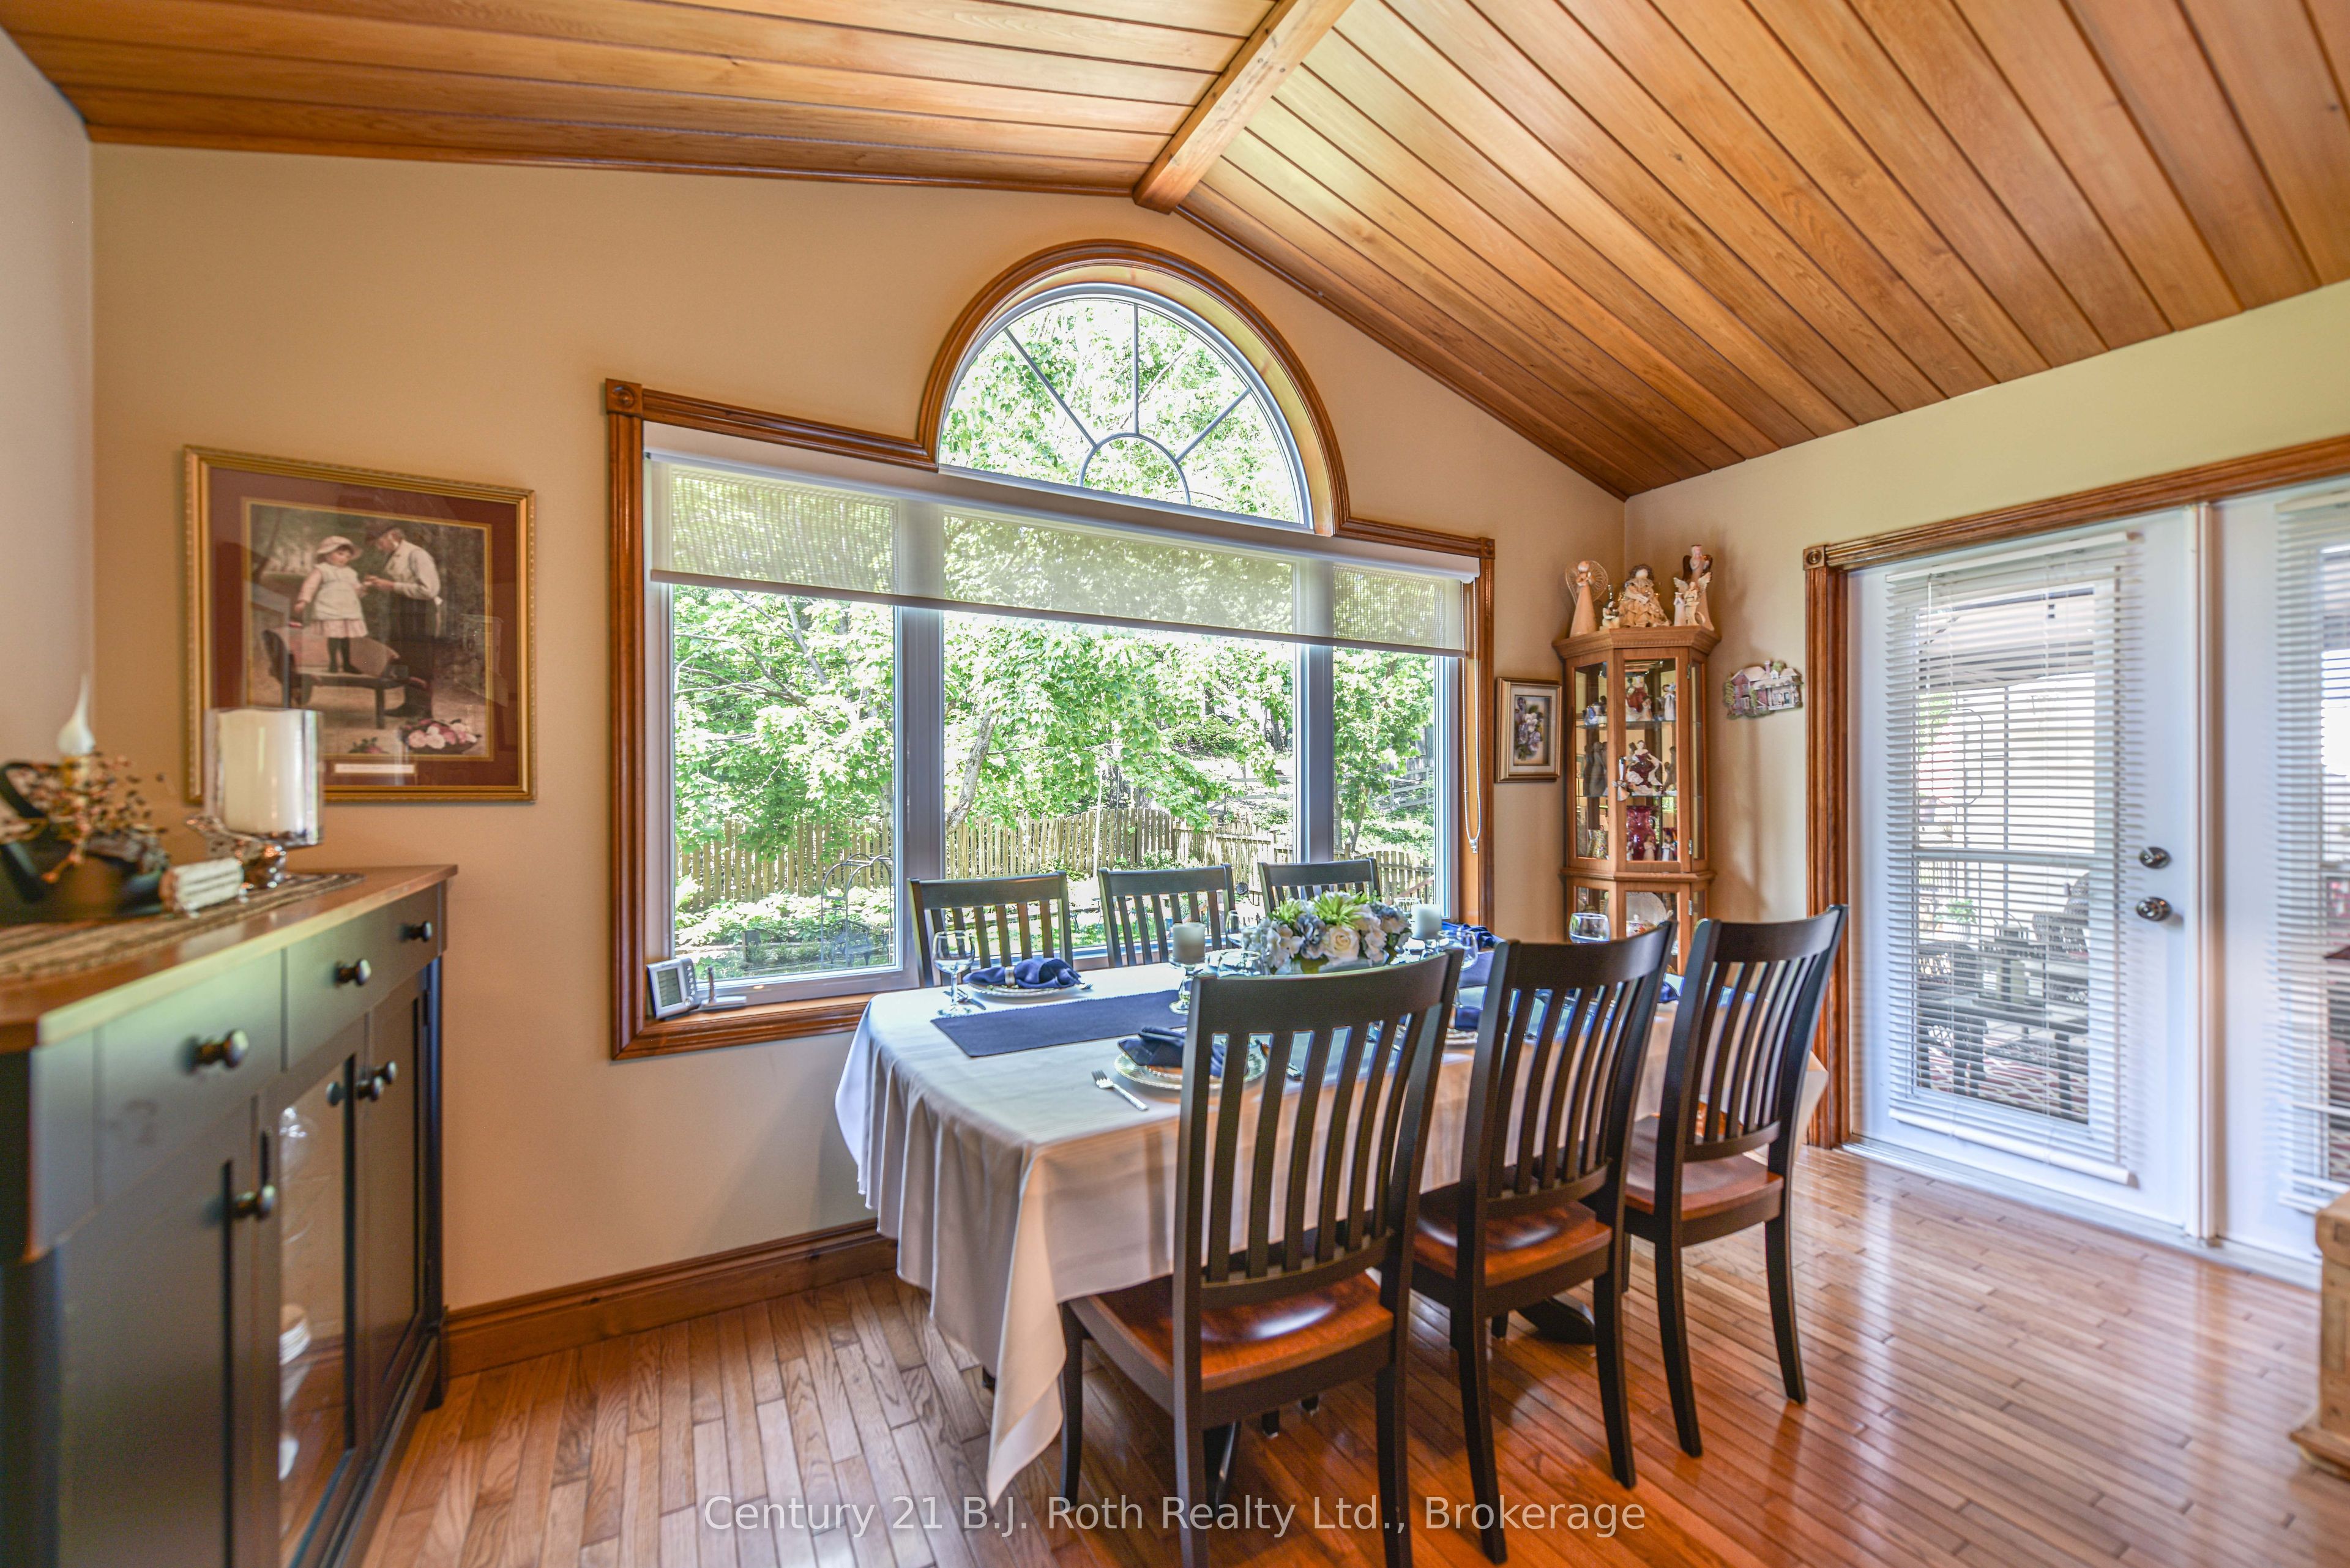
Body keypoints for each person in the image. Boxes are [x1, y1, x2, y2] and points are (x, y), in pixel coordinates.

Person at [362, 520, 442, 719]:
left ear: (393, 536)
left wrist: (392, 586)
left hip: (420, 612)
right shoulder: (393, 554)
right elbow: (400, 581)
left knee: (420, 659)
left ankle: (423, 710)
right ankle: (410, 705)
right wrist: (379, 583)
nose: (378, 547)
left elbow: (429, 590)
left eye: (380, 542)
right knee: (406, 658)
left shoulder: (417, 555)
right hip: (403, 609)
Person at [289, 536, 367, 674]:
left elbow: (357, 590)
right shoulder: (322, 569)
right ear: (328, 554)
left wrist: (364, 587)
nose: (344, 559)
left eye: (347, 556)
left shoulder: (351, 572)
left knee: (346, 636)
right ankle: (333, 663)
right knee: (334, 635)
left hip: (348, 607)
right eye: (340, 554)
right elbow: (310, 585)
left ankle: (347, 663)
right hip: (330, 606)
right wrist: (303, 600)